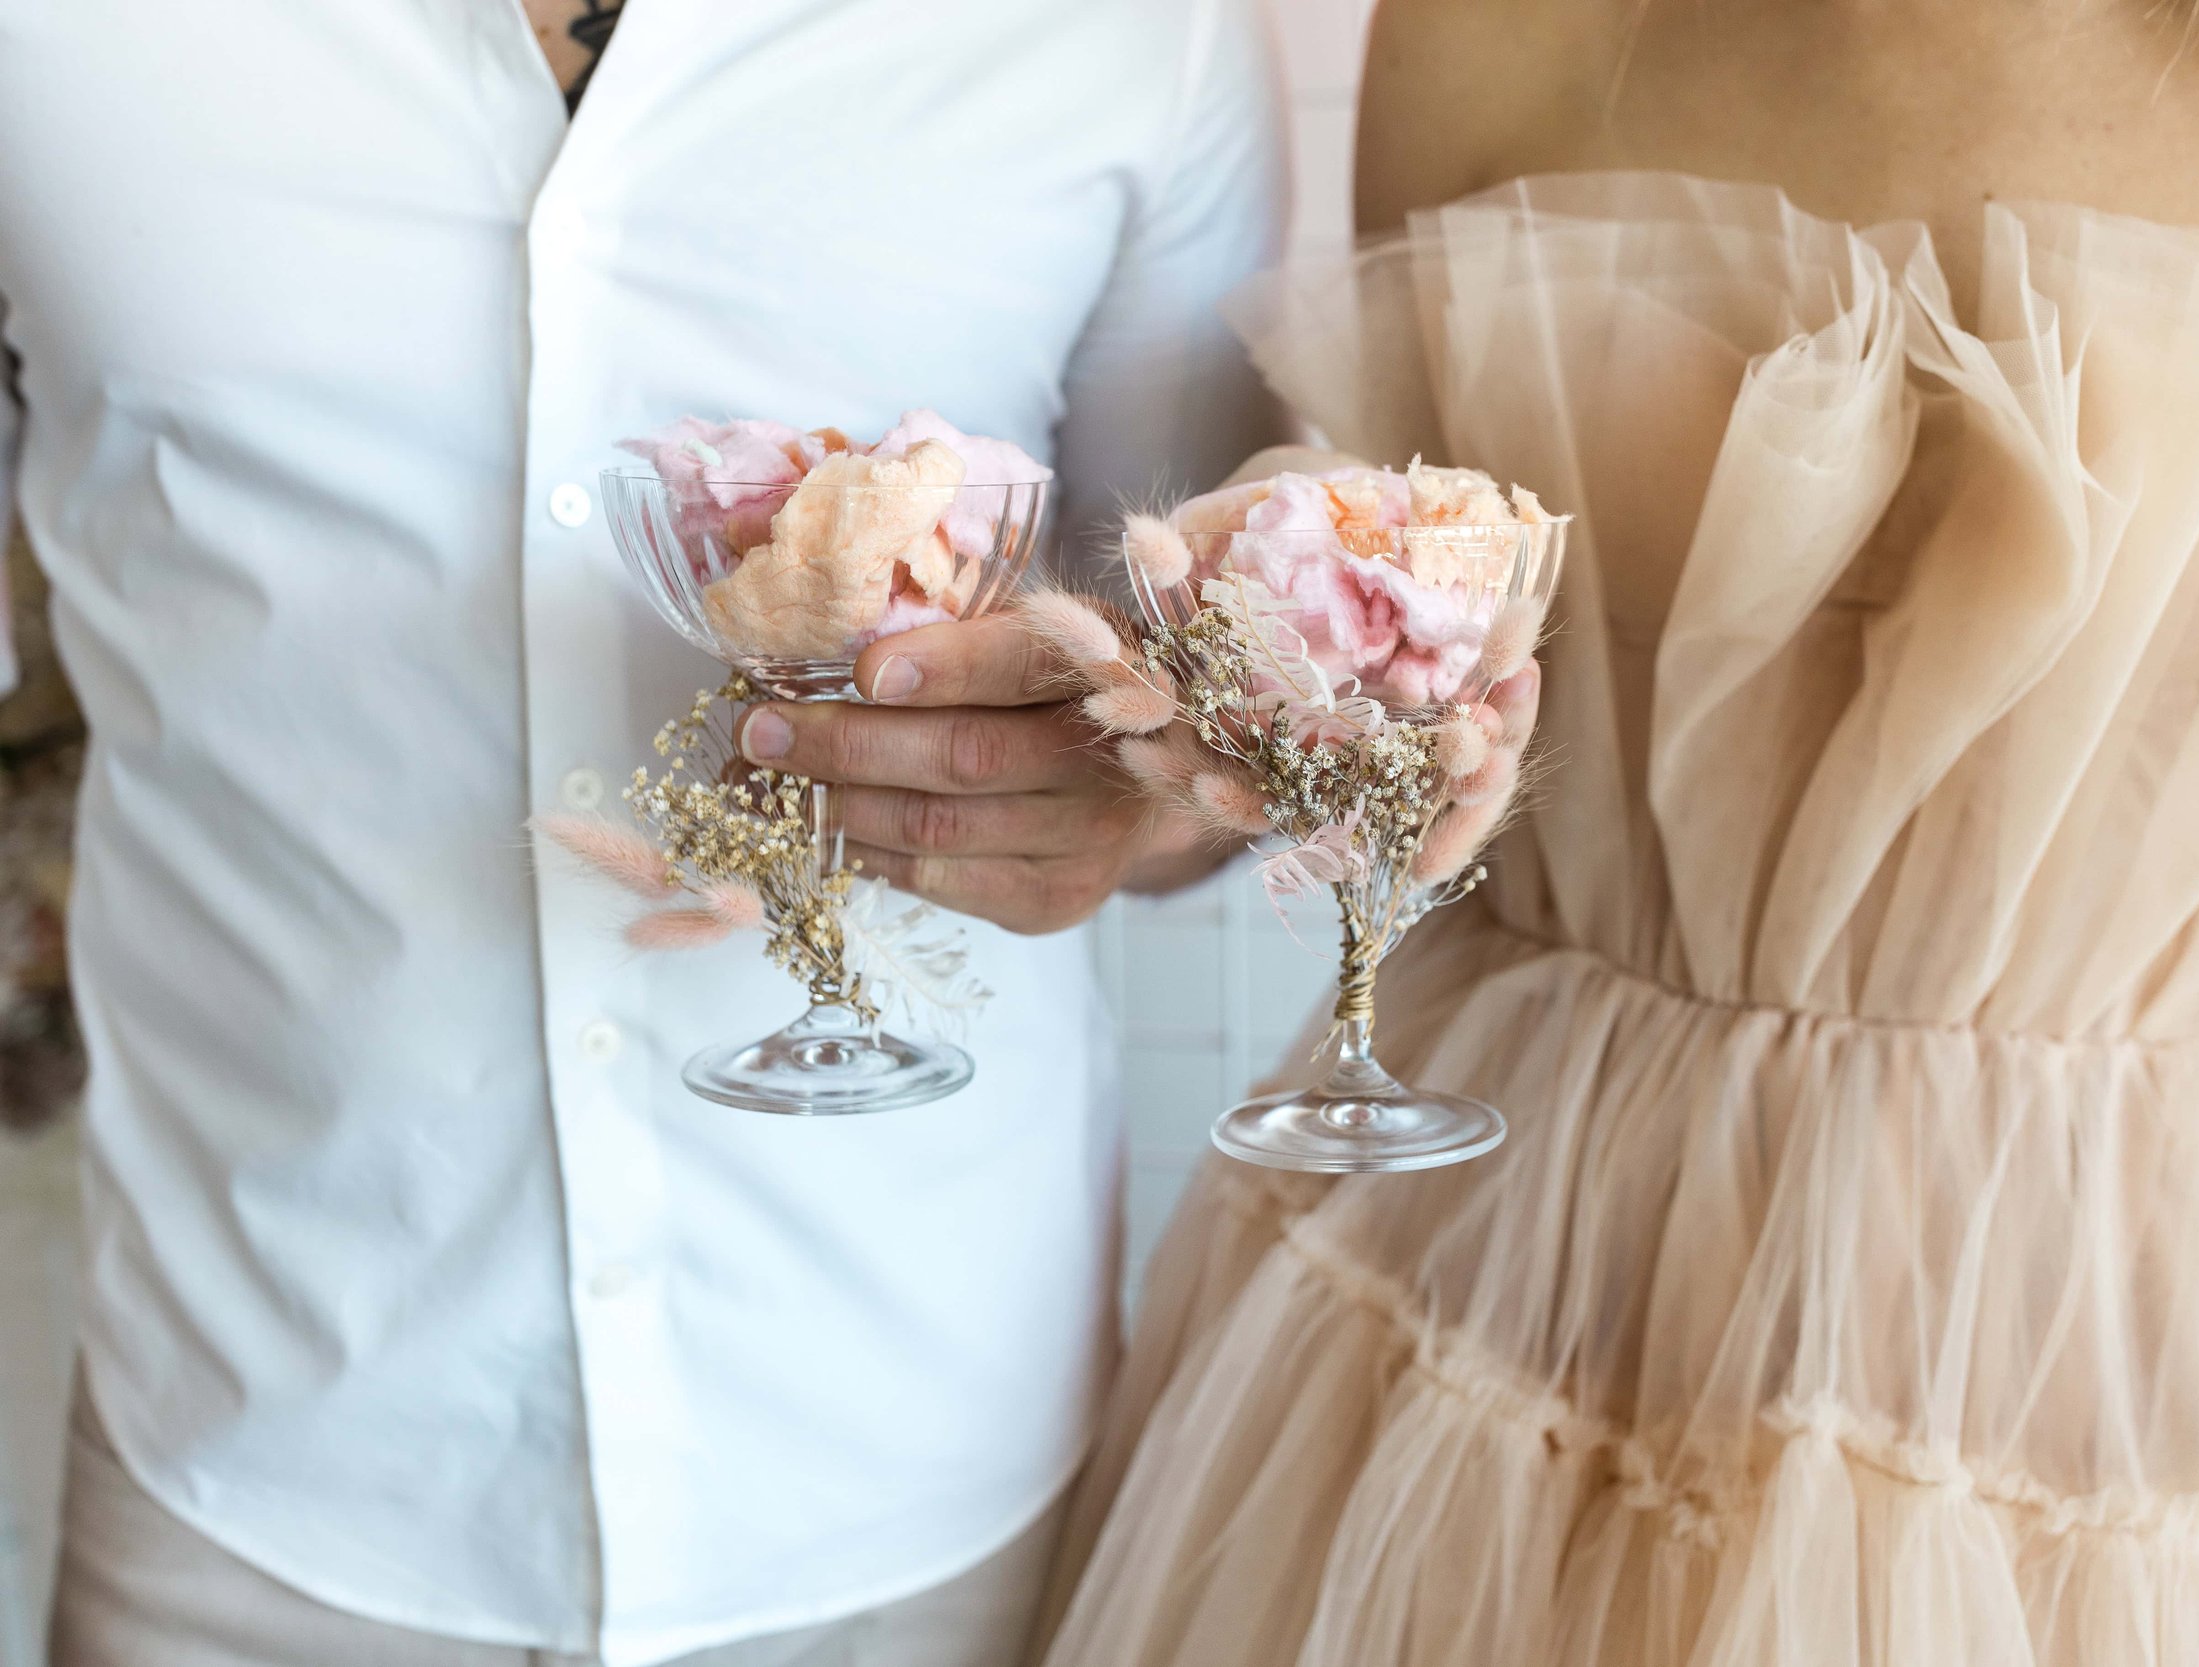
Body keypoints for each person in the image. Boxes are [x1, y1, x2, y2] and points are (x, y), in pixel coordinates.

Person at [1030, 0, 2199, 1661]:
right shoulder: (1490, 21)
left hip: (2143, 1409)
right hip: (1500, 1326)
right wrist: (1282, 566)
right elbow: (1424, 576)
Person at [0, 1, 1282, 1662]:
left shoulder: (1138, 32)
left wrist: (1137, 805)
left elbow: (1202, 724)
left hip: (929, 1484)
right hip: (255, 1485)